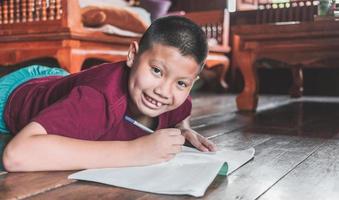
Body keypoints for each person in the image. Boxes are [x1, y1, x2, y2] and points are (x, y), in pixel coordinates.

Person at [1, 16, 217, 172]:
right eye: (157, 71)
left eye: (181, 83)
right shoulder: (97, 100)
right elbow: (16, 156)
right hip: (14, 93)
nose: (163, 91)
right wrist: (136, 152)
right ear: (132, 55)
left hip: (60, 79)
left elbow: (183, 106)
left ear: (191, 83)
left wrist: (183, 128)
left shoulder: (173, 99)